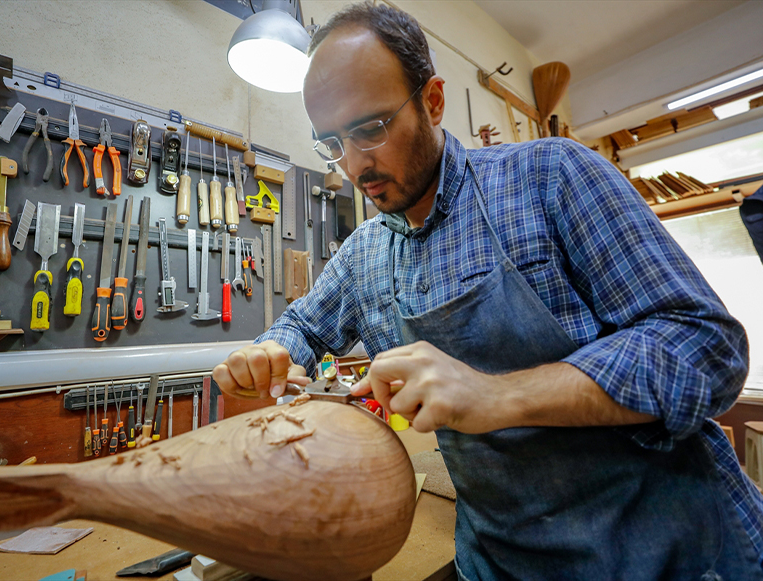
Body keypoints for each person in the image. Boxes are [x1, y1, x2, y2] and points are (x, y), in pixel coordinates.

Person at [213, 3, 763, 579]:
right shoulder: (363, 254)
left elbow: (707, 347)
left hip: (668, 552)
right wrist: (270, 352)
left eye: (370, 129)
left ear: (432, 101)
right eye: (331, 143)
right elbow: (301, 327)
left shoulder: (551, 174)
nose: (354, 164)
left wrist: (499, 395)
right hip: (503, 561)